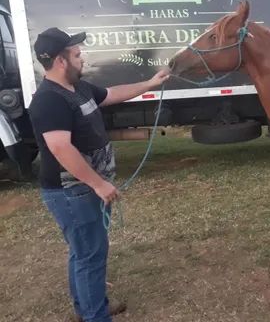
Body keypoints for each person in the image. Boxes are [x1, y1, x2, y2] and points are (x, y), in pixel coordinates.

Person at [28, 27, 170, 322]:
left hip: (82, 190)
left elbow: (112, 94)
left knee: (83, 251)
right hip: (71, 193)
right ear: (60, 60)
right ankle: (95, 316)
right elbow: (60, 148)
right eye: (77, 55)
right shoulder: (48, 100)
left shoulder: (78, 87)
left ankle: (87, 308)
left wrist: (151, 82)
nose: (84, 59)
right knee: (91, 255)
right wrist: (98, 184)